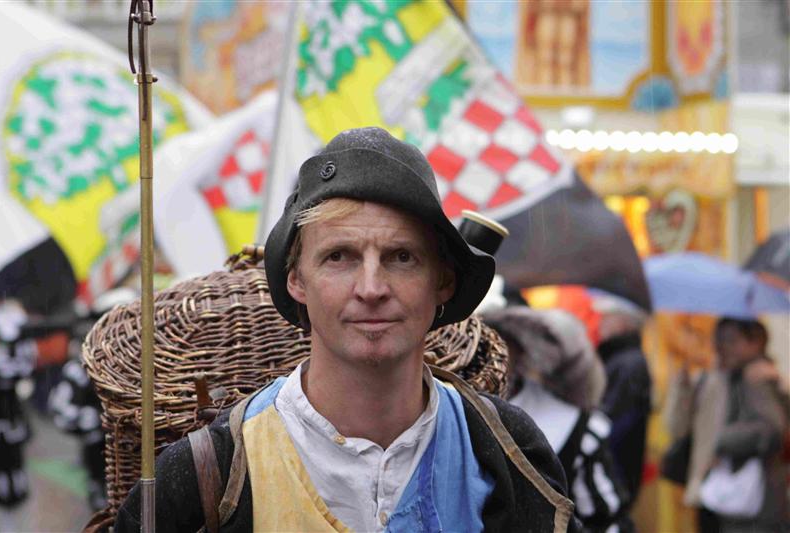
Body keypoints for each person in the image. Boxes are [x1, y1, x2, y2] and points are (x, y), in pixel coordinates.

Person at [114, 127, 580, 532]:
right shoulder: (209, 473)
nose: (372, 288)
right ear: (297, 280)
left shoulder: (505, 452)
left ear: (443, 281)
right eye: (339, 257)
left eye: (402, 257)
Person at [484, 306, 634, 533]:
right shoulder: (443, 411)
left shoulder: (575, 426)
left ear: (519, 350)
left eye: (499, 340)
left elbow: (606, 520)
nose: (488, 351)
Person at [665, 318, 789, 533]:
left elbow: (772, 429)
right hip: (712, 492)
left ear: (756, 342)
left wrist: (721, 441)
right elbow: (676, 428)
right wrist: (682, 388)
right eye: (718, 339)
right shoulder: (710, 379)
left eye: (731, 340)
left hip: (749, 499)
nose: (722, 347)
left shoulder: (758, 379)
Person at [593, 293, 652, 501]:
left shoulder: (628, 364)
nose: (601, 322)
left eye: (608, 317)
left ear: (625, 323)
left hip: (616, 471)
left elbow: (614, 419)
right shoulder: (619, 358)